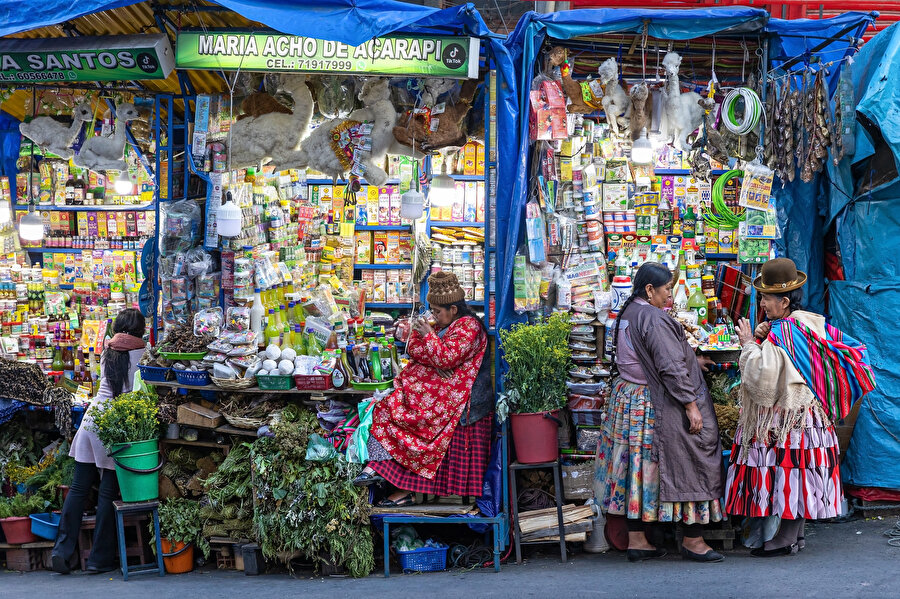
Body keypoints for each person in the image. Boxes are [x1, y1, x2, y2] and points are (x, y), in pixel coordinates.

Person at [729, 258, 875, 557]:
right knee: (797, 474)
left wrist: (748, 344)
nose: (763, 304)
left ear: (783, 301)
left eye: (767, 298)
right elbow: (847, 349)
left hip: (787, 418)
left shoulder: (784, 332)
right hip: (808, 416)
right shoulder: (808, 323)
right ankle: (793, 535)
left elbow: (764, 376)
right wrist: (762, 338)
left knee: (788, 474)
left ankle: (784, 538)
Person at [593, 262, 726, 563]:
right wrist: (691, 405)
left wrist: (694, 362)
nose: (669, 296)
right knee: (687, 458)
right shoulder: (652, 317)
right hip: (654, 403)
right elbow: (669, 366)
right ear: (650, 289)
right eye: (666, 290)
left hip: (629, 400)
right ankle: (693, 540)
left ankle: (638, 540)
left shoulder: (629, 312)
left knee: (635, 467)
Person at [353, 271, 491, 507]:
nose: (434, 317)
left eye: (438, 311)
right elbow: (416, 351)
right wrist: (433, 353)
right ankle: (377, 468)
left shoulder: (468, 327)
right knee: (387, 407)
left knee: (397, 411)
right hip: (434, 390)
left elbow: (447, 358)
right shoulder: (442, 326)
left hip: (452, 398)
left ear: (454, 310)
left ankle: (389, 477)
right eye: (433, 311)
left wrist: (433, 345)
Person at [51, 309, 147, 574]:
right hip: (114, 424)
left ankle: (61, 551)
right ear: (141, 331)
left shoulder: (108, 351)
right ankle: (98, 560)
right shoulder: (142, 353)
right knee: (107, 491)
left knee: (79, 487)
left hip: (92, 419)